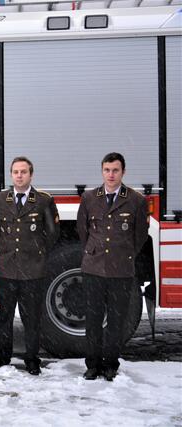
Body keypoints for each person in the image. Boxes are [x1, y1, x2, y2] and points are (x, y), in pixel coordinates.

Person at [77, 152, 149, 381]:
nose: (111, 174)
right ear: (102, 171)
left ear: (123, 172)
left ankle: (111, 365)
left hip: (121, 270)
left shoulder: (136, 201)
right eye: (107, 170)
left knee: (116, 322)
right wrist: (95, 253)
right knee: (93, 320)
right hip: (93, 269)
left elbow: (139, 236)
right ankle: (93, 365)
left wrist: (123, 256)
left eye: (115, 170)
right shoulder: (89, 198)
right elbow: (83, 231)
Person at [0, 157, 60, 375]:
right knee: (5, 316)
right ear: (11, 175)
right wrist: (5, 248)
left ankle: (32, 359)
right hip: (7, 268)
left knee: (31, 319)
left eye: (24, 172)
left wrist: (36, 251)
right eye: (16, 172)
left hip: (33, 269)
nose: (19, 176)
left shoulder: (44, 201)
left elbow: (53, 233)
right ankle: (2, 357)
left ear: (31, 175)